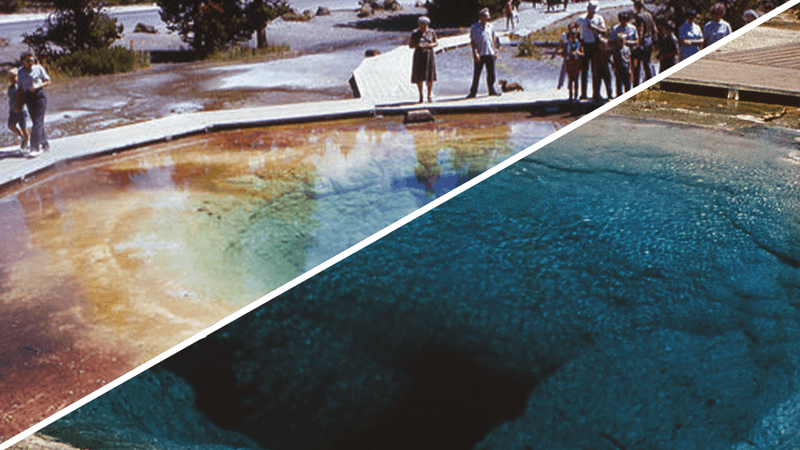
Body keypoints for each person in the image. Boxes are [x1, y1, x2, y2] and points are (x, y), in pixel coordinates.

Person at [15, 51, 50, 157]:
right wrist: (18, 103)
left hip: (39, 96)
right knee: (36, 121)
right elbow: (20, 88)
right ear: (23, 62)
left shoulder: (38, 68)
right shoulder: (20, 72)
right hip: (28, 97)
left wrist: (38, 85)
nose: (31, 62)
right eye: (28, 60)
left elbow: (48, 81)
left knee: (38, 122)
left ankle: (35, 147)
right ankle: (45, 144)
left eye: (32, 59)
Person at [467, 8, 501, 98]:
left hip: (490, 52)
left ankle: (491, 90)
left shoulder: (490, 26)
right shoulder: (474, 27)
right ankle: (473, 92)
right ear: (481, 17)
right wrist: (475, 53)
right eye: (486, 16)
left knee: (491, 74)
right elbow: (473, 41)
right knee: (477, 74)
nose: (487, 18)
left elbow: (495, 39)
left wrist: (496, 51)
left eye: (488, 17)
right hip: (480, 53)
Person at [578, 1, 606, 101]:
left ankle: (596, 93)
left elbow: (604, 31)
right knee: (584, 70)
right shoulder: (581, 18)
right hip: (585, 44)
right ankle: (583, 93)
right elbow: (575, 28)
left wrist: (594, 28)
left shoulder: (599, 19)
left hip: (595, 45)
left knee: (596, 70)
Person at [409, 16, 438, 103]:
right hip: (419, 55)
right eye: (421, 25)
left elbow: (436, 42)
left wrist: (431, 45)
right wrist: (417, 45)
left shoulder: (431, 32)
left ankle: (429, 95)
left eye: (425, 25)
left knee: (430, 76)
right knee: (419, 76)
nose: (423, 26)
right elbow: (410, 45)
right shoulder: (415, 33)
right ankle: (421, 95)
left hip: (429, 55)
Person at [631, 0, 656, 86]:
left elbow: (640, 30)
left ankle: (636, 85)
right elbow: (654, 29)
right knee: (647, 63)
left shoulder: (638, 16)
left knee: (636, 65)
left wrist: (638, 43)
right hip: (650, 41)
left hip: (643, 41)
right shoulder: (649, 15)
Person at [7, 68, 30, 155]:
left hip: (21, 111)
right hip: (12, 111)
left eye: (14, 77)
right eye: (10, 77)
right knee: (10, 126)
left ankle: (26, 143)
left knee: (25, 130)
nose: (12, 79)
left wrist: (20, 106)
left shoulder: (20, 86)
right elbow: (10, 98)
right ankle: (21, 135)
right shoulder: (10, 88)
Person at [552, 21, 580, 90]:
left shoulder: (577, 35)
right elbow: (560, 45)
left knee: (575, 72)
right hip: (567, 55)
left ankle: (571, 85)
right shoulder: (564, 35)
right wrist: (555, 53)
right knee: (565, 69)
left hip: (575, 57)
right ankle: (560, 84)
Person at [564, 29, 583, 101]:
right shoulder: (567, 44)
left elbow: (583, 53)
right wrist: (569, 54)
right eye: (571, 35)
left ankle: (576, 95)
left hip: (576, 63)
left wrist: (578, 53)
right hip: (569, 63)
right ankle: (570, 95)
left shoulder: (579, 44)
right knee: (570, 80)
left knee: (576, 80)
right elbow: (563, 54)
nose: (573, 37)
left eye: (574, 35)